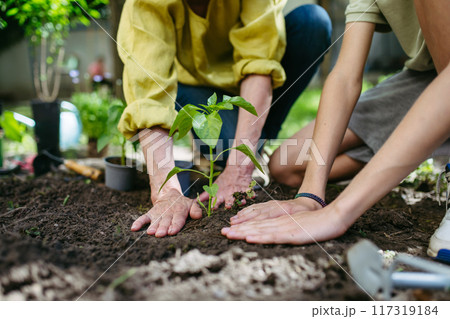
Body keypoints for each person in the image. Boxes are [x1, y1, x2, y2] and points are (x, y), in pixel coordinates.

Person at [222, 0, 450, 262]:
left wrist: (338, 213)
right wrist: (310, 196)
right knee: (288, 164)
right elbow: (344, 77)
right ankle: (420, 144)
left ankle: (426, 142)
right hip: (425, 78)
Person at [117, 0, 331, 237]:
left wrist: (239, 167)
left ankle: (250, 149)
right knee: (227, 148)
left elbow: (259, 64)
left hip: (253, 89)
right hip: (194, 87)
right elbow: (149, 96)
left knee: (312, 22)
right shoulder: (144, 4)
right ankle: (245, 150)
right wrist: (166, 191)